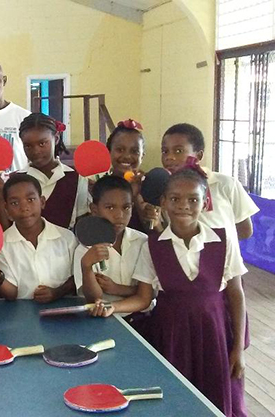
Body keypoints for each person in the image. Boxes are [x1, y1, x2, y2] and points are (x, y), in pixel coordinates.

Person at [91, 168, 247, 417]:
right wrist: (114, 307)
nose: (183, 206)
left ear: (205, 201)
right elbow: (144, 298)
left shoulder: (224, 240)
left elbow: (236, 294)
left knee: (215, 396)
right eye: (174, 199)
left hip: (214, 332)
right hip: (172, 334)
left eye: (193, 199)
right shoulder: (152, 245)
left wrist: (238, 347)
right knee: (176, 398)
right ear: (163, 201)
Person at [0, 173, 78, 301]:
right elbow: (12, 294)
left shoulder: (66, 238)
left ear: (42, 202)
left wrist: (58, 292)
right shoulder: (1, 245)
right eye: (14, 203)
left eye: (30, 200)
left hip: (63, 311)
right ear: (6, 210)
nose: (24, 208)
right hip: (21, 313)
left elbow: (78, 277)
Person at [161, 123, 259, 241]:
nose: (169, 157)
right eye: (165, 151)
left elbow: (245, 230)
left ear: (198, 155)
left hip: (222, 256)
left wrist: (218, 246)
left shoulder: (225, 184)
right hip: (183, 256)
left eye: (178, 151)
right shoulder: (163, 187)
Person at [74, 175, 150, 318]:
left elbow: (148, 294)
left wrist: (118, 289)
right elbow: (93, 298)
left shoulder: (142, 242)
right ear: (94, 210)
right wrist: (86, 267)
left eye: (126, 207)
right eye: (110, 207)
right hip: (104, 319)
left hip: (142, 320)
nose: (119, 215)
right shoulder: (84, 248)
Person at [18, 112, 89, 228]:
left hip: (66, 245)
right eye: (28, 146)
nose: (36, 151)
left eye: (42, 143)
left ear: (56, 138)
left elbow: (81, 221)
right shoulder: (17, 179)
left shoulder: (76, 178)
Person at [105, 119, 160, 232]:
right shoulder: (102, 186)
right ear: (109, 151)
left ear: (142, 156)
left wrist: (136, 196)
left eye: (134, 151)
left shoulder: (151, 185)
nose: (127, 156)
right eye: (120, 150)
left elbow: (152, 230)